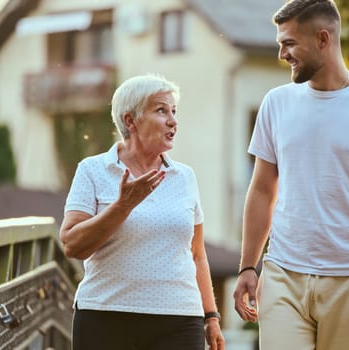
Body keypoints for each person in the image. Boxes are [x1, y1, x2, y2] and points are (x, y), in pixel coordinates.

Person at [233, 1, 349, 349]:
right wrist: (248, 266)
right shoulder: (276, 103)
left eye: (289, 43)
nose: (281, 54)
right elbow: (261, 190)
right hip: (283, 275)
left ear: (323, 38)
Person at [59, 74, 225, 350]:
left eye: (174, 111)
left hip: (180, 319)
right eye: (161, 110)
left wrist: (212, 316)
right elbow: (72, 245)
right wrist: (123, 206)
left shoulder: (185, 176)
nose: (173, 120)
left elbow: (197, 254)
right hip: (106, 316)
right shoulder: (93, 170)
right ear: (130, 121)